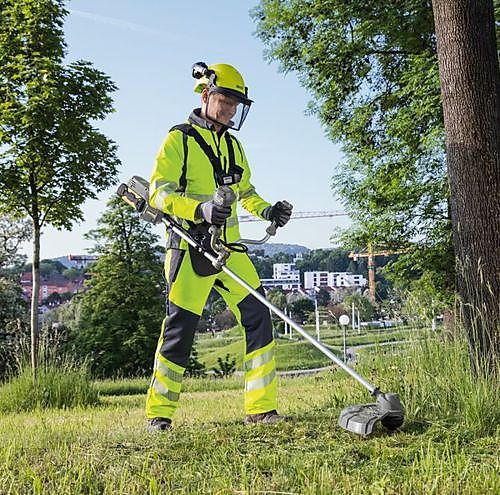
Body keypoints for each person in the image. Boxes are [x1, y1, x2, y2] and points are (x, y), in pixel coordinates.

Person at [145, 62, 293, 431]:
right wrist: (199, 209)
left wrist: (268, 211)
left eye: (235, 104)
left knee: (259, 316)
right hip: (189, 247)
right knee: (180, 329)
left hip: (230, 249)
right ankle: (159, 415)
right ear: (205, 94)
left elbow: (246, 192)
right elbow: (158, 194)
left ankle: (261, 408)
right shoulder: (178, 140)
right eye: (225, 100)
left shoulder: (233, 146)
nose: (230, 109)